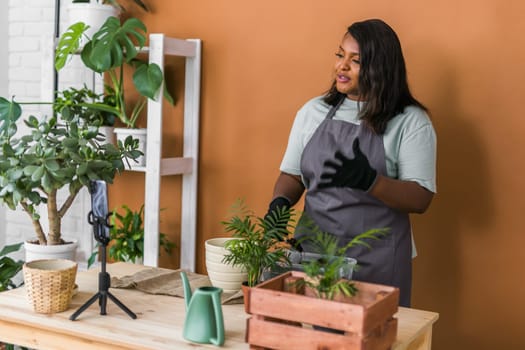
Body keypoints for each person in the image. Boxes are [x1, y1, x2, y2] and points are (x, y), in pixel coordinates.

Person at [266, 18, 436, 307]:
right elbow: (293, 176)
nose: (341, 67)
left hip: (377, 263)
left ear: (380, 68)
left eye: (355, 61)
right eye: (339, 55)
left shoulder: (410, 121)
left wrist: (372, 181)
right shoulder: (313, 111)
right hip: (313, 256)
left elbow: (420, 197)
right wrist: (279, 204)